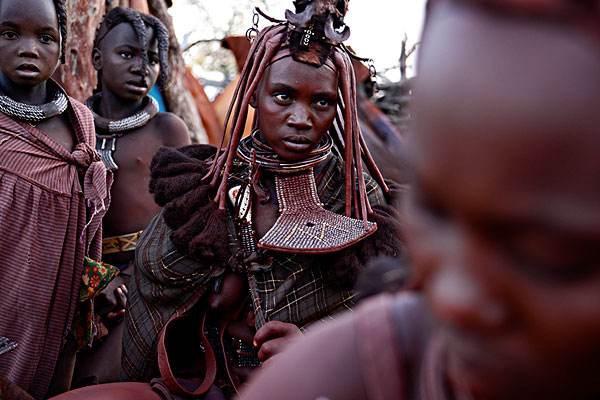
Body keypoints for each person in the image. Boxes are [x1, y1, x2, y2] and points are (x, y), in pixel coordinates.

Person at [238, 1, 600, 399]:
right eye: (435, 210)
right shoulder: (347, 372)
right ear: (254, 95)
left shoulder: (358, 195)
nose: (451, 298)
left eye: (548, 252)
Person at [122, 1, 403, 398]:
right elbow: (155, 272)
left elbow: (382, 312)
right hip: (209, 374)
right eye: (284, 96)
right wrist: (219, 272)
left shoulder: (355, 193)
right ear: (254, 95)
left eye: (321, 102)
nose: (301, 118)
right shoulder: (214, 182)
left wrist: (311, 346)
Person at [72, 7, 191, 386]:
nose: (142, 67)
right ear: (96, 59)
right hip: (82, 272)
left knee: (108, 376)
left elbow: (182, 217)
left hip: (148, 277)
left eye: (153, 58)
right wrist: (93, 278)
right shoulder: (73, 125)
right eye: (127, 54)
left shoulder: (167, 130)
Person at [0, 0, 111, 398]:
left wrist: (94, 280)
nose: (29, 48)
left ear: (62, 46)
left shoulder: (80, 122)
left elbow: (82, 219)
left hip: (59, 302)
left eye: (45, 37)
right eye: (10, 34)